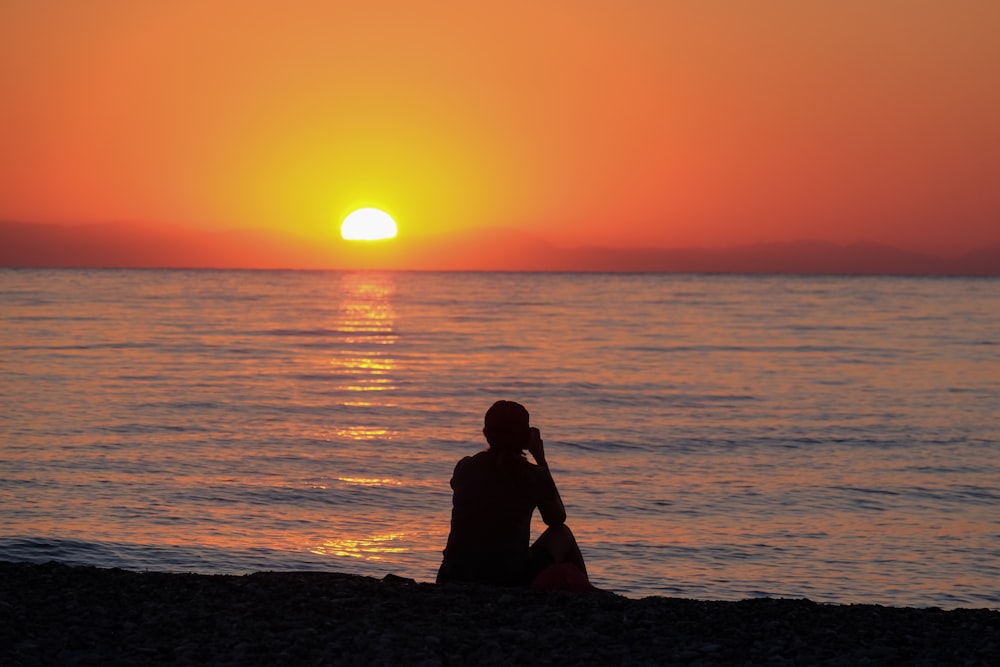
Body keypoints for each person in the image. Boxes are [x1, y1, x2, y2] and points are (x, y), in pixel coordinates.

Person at [436, 400, 591, 588]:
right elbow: (556, 518)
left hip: (451, 575)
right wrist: (541, 458)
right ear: (526, 437)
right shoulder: (534, 475)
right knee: (563, 533)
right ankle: (587, 593)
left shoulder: (465, 467)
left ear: (486, 434)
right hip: (507, 580)